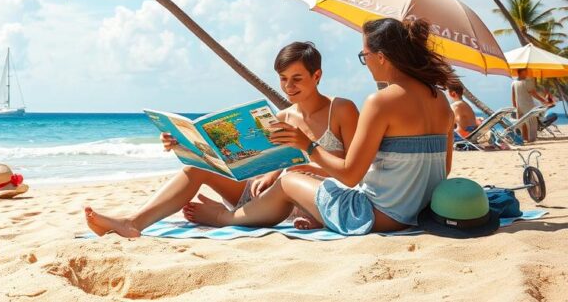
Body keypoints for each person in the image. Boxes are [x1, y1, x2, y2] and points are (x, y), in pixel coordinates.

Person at [181, 17, 455, 236]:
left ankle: (223, 216)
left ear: (381, 57)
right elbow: (445, 167)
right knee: (296, 178)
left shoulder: (381, 101)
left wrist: (307, 145)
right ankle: (315, 217)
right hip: (417, 213)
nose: (366, 63)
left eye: (365, 55)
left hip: (379, 217)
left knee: (288, 181)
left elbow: (349, 176)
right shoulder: (439, 99)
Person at [84, 41, 358, 237]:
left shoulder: (342, 109)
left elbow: (356, 169)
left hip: (310, 198)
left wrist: (300, 167)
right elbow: (275, 160)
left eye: (297, 78)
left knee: (285, 183)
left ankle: (222, 217)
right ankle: (133, 222)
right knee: (195, 167)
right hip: (266, 194)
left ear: (317, 75)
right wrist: (182, 143)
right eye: (283, 79)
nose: (289, 87)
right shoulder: (283, 116)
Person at [511, 70, 545, 143]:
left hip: (519, 107)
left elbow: (513, 96)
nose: (527, 73)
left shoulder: (514, 82)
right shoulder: (527, 82)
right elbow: (533, 93)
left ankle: (524, 139)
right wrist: (544, 100)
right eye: (525, 72)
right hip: (528, 106)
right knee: (532, 124)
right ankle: (531, 140)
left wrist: (515, 107)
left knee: (523, 124)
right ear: (521, 72)